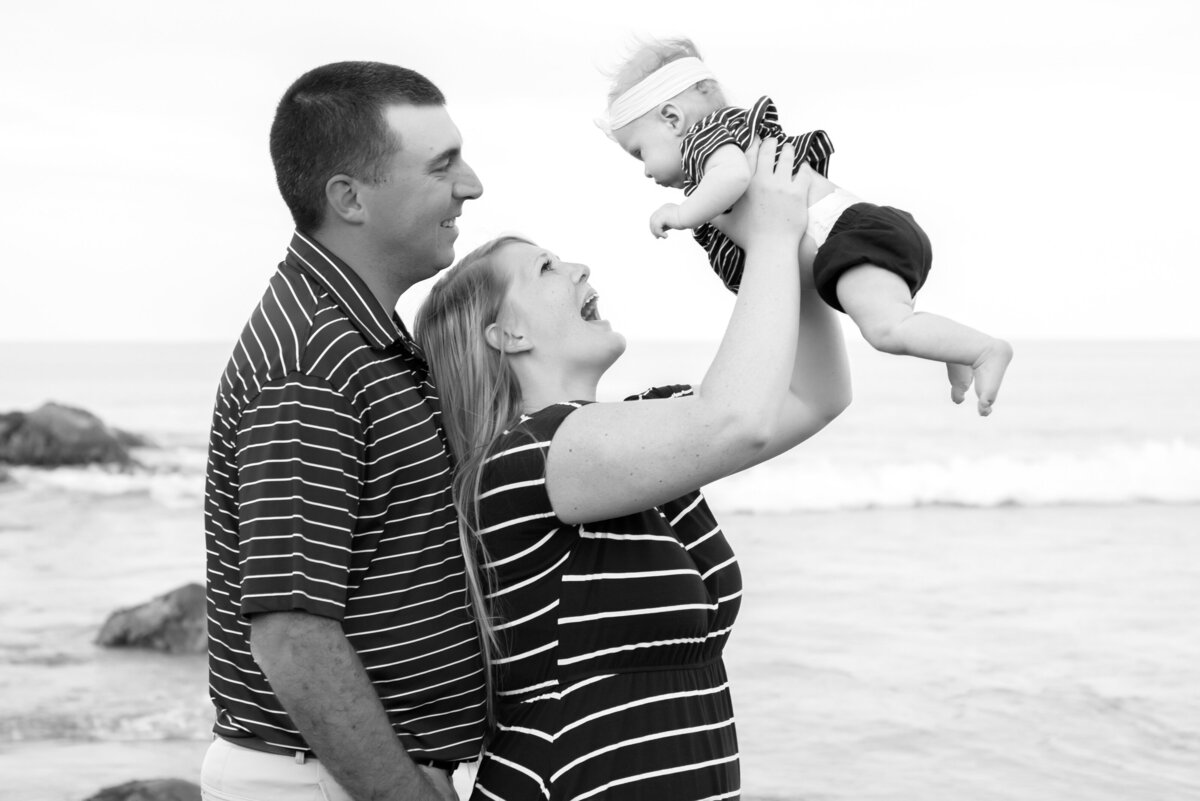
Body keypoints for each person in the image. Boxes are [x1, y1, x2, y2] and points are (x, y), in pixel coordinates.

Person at [415, 138, 851, 799]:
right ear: (507, 335)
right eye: (546, 269)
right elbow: (736, 419)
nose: (579, 268)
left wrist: (792, 248)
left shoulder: (638, 434)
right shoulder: (522, 462)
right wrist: (769, 235)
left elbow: (815, 395)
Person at [201, 61, 486, 801]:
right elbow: (292, 635)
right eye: (442, 166)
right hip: (322, 784)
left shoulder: (365, 339)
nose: (472, 185)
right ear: (350, 198)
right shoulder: (312, 363)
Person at [602, 38, 1013, 416]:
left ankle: (984, 349)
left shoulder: (709, 141)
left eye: (640, 152)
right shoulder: (728, 145)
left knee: (887, 329)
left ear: (672, 118)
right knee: (897, 320)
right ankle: (955, 348)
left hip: (848, 237)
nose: (644, 171)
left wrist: (682, 212)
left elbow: (732, 180)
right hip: (858, 238)